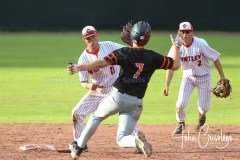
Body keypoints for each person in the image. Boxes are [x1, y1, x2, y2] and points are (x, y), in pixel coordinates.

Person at [68, 21, 180, 159]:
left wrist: (79, 67)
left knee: (96, 117)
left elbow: (101, 62)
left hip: (118, 97)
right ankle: (136, 142)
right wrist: (176, 46)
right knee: (122, 138)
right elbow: (175, 64)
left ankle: (78, 146)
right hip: (137, 103)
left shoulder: (123, 52)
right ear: (148, 38)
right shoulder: (153, 57)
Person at [70, 25, 140, 151]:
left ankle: (138, 141)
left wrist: (134, 43)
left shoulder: (109, 46)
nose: (91, 40)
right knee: (76, 113)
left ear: (97, 34)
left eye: (92, 36)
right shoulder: (83, 58)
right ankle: (80, 143)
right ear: (84, 40)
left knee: (125, 112)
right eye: (88, 38)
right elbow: (83, 82)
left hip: (116, 88)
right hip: (98, 91)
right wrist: (89, 85)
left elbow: (128, 52)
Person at [163, 22, 227, 134]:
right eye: (182, 32)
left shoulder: (200, 43)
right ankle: (181, 124)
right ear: (179, 32)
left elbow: (215, 59)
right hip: (188, 77)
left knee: (204, 107)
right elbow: (171, 66)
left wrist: (223, 78)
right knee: (180, 104)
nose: (184, 34)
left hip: (204, 77)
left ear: (192, 32)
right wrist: (167, 85)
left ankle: (202, 115)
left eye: (187, 31)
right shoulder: (176, 46)